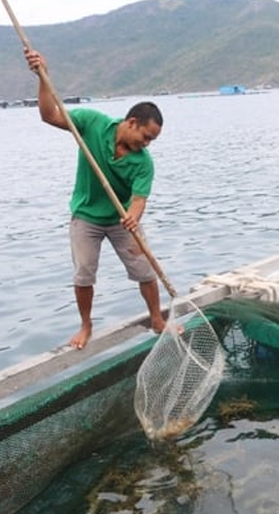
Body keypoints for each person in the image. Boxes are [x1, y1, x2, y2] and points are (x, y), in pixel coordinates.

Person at [25, 49, 166, 350]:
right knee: (84, 271)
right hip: (86, 216)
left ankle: (156, 318)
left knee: (144, 267)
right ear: (131, 122)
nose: (147, 143)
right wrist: (42, 76)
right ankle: (86, 325)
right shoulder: (92, 122)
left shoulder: (143, 162)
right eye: (146, 136)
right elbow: (49, 115)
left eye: (152, 140)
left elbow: (139, 199)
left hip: (121, 221)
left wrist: (132, 218)